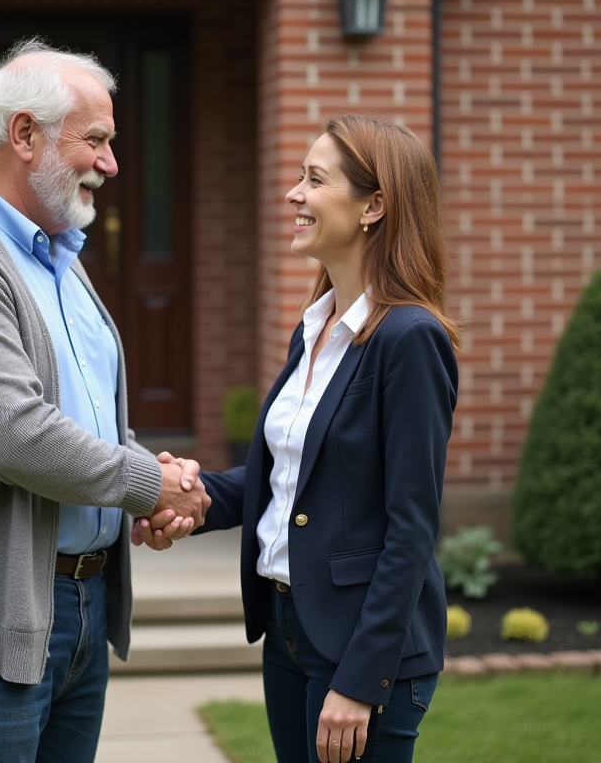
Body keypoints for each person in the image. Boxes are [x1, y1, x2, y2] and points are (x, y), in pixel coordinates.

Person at [0, 39, 209, 763]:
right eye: (97, 140)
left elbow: (81, 416)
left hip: (79, 608)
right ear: (24, 135)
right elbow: (17, 435)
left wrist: (155, 478)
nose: (111, 163)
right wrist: (150, 485)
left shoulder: (59, 256)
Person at [147, 114, 460, 763]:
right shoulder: (314, 330)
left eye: (315, 180)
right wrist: (181, 496)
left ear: (373, 206)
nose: (294, 194)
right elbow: (286, 478)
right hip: (289, 628)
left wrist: (360, 680)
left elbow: (412, 527)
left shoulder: (409, 340)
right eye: (300, 178)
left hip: (360, 648)